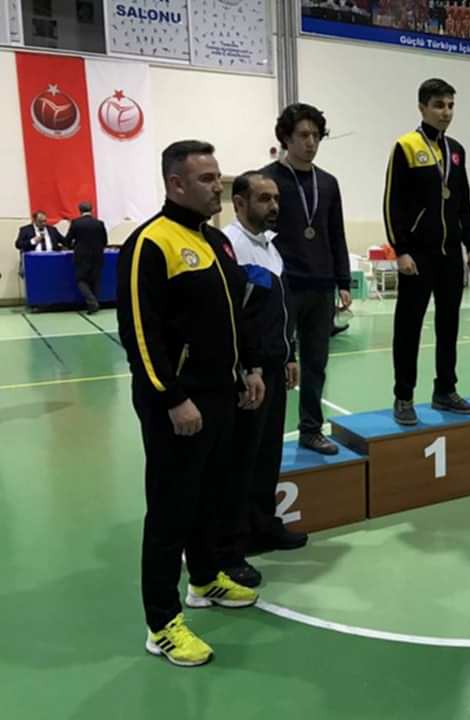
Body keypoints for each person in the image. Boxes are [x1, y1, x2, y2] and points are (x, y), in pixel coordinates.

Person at [116, 140, 264, 668]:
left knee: (210, 496)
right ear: (175, 183)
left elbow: (235, 315)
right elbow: (140, 333)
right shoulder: (150, 243)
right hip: (176, 404)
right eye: (205, 179)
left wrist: (249, 368)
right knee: (171, 510)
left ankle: (204, 580)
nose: (216, 187)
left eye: (217, 177)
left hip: (221, 394)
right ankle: (161, 624)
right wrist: (172, 397)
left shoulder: (217, 242)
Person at [219, 171, 306, 588]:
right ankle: (231, 549)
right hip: (247, 373)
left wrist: (290, 355)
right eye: (264, 199)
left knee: (268, 454)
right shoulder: (230, 247)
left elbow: (280, 311)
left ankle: (263, 525)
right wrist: (247, 367)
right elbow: (233, 317)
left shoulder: (270, 247)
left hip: (273, 366)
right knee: (240, 461)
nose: (274, 206)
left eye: (276, 199)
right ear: (239, 203)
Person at [383, 78, 470, 425]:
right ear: (422, 107)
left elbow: (463, 200)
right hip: (418, 256)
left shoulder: (457, 150)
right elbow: (392, 202)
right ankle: (404, 396)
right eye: (439, 105)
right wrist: (401, 250)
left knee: (449, 325)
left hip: (451, 254)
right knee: (408, 328)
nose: (446, 112)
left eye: (450, 105)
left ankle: (445, 390)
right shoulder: (405, 147)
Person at [261, 103, 351, 454]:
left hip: (321, 285)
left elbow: (336, 234)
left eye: (316, 136)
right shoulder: (267, 180)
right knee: (275, 363)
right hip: (282, 286)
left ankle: (311, 429)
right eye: (303, 135)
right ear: (286, 137)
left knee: (316, 364)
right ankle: (264, 434)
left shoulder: (327, 183)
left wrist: (343, 281)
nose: (311, 142)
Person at [64, 201, 108, 313]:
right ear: (92, 210)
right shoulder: (99, 223)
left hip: (81, 256)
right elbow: (104, 241)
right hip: (97, 256)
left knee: (81, 280)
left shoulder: (76, 223)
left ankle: (92, 301)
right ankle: (95, 302)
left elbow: (68, 240)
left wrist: (72, 246)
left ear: (79, 210)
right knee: (95, 280)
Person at [15, 211, 65, 275]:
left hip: (51, 262)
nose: (43, 223)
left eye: (45, 221)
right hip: (33, 264)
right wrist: (32, 241)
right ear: (34, 220)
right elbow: (18, 244)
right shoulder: (25, 230)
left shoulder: (52, 230)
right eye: (40, 221)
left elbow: (64, 241)